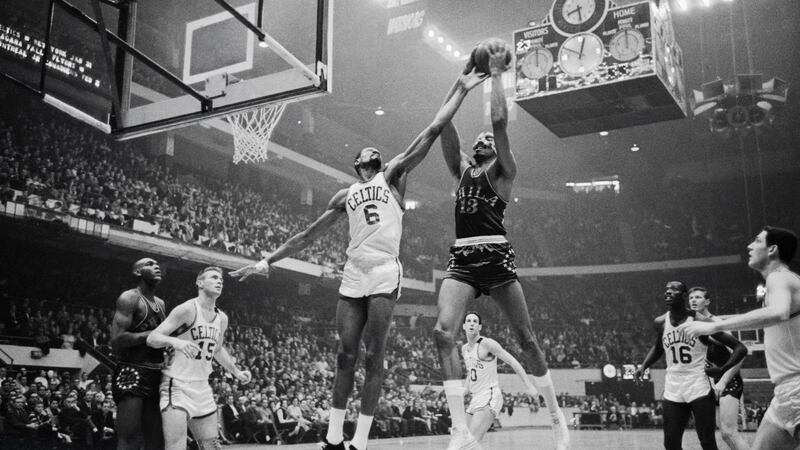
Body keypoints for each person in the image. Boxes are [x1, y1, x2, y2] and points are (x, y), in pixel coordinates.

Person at [230, 67, 487, 450]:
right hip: (354, 272)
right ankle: (334, 439)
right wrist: (265, 261)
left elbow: (432, 130)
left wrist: (460, 89)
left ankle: (360, 441)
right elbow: (307, 236)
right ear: (357, 164)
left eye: (376, 155)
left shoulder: (393, 176)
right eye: (368, 156)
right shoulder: (345, 195)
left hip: (384, 269)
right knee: (344, 355)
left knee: (373, 355)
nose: (374, 155)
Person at [433, 42, 569, 450]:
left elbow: (498, 122)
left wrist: (495, 74)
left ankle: (555, 416)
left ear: (495, 148)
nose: (481, 139)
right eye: (477, 139)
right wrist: (462, 80)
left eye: (487, 139)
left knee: (526, 338)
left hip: (495, 256)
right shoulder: (461, 170)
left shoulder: (504, 170)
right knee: (442, 333)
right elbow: (442, 123)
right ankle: (460, 427)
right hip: (462, 258)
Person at [680, 226, 800, 449]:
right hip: (785, 393)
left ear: (772, 249)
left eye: (757, 241)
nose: (749, 246)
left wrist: (716, 325)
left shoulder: (779, 277)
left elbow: (778, 312)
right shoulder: (784, 280)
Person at [146, 266, 252, 450]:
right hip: (176, 384)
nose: (219, 281)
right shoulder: (187, 309)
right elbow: (152, 338)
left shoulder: (222, 318)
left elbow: (217, 350)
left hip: (202, 386)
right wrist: (177, 342)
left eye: (221, 280)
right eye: (214, 277)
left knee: (211, 446)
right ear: (200, 283)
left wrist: (236, 372)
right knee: (176, 447)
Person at [634, 281, 747, 450]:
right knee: (670, 444)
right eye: (666, 289)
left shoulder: (701, 321)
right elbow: (658, 348)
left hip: (698, 384)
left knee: (707, 442)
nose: (668, 292)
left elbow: (740, 348)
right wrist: (644, 366)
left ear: (683, 295)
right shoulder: (660, 322)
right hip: (673, 386)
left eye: (674, 289)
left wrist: (722, 370)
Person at [109, 257, 166, 450]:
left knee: (155, 440)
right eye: (149, 264)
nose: (156, 266)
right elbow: (117, 339)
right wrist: (154, 334)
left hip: (156, 373)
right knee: (130, 438)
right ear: (137, 272)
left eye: (157, 264)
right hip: (132, 371)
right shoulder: (129, 298)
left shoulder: (161, 303)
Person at [460, 311, 540, 442]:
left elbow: (512, 361)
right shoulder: (464, 349)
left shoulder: (487, 344)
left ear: (480, 327)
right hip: (475, 398)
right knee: (464, 441)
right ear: (464, 326)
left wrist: (529, 385)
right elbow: (471, 372)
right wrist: (464, 390)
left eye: (475, 321)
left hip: (489, 395)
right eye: (468, 321)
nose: (472, 324)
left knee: (471, 441)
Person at [688, 286, 749, 450]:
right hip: (707, 383)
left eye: (698, 297)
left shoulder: (717, 324)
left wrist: (723, 381)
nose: (693, 300)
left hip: (728, 382)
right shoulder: (691, 325)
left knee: (729, 433)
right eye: (691, 298)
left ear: (707, 301)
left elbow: (740, 354)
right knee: (711, 434)